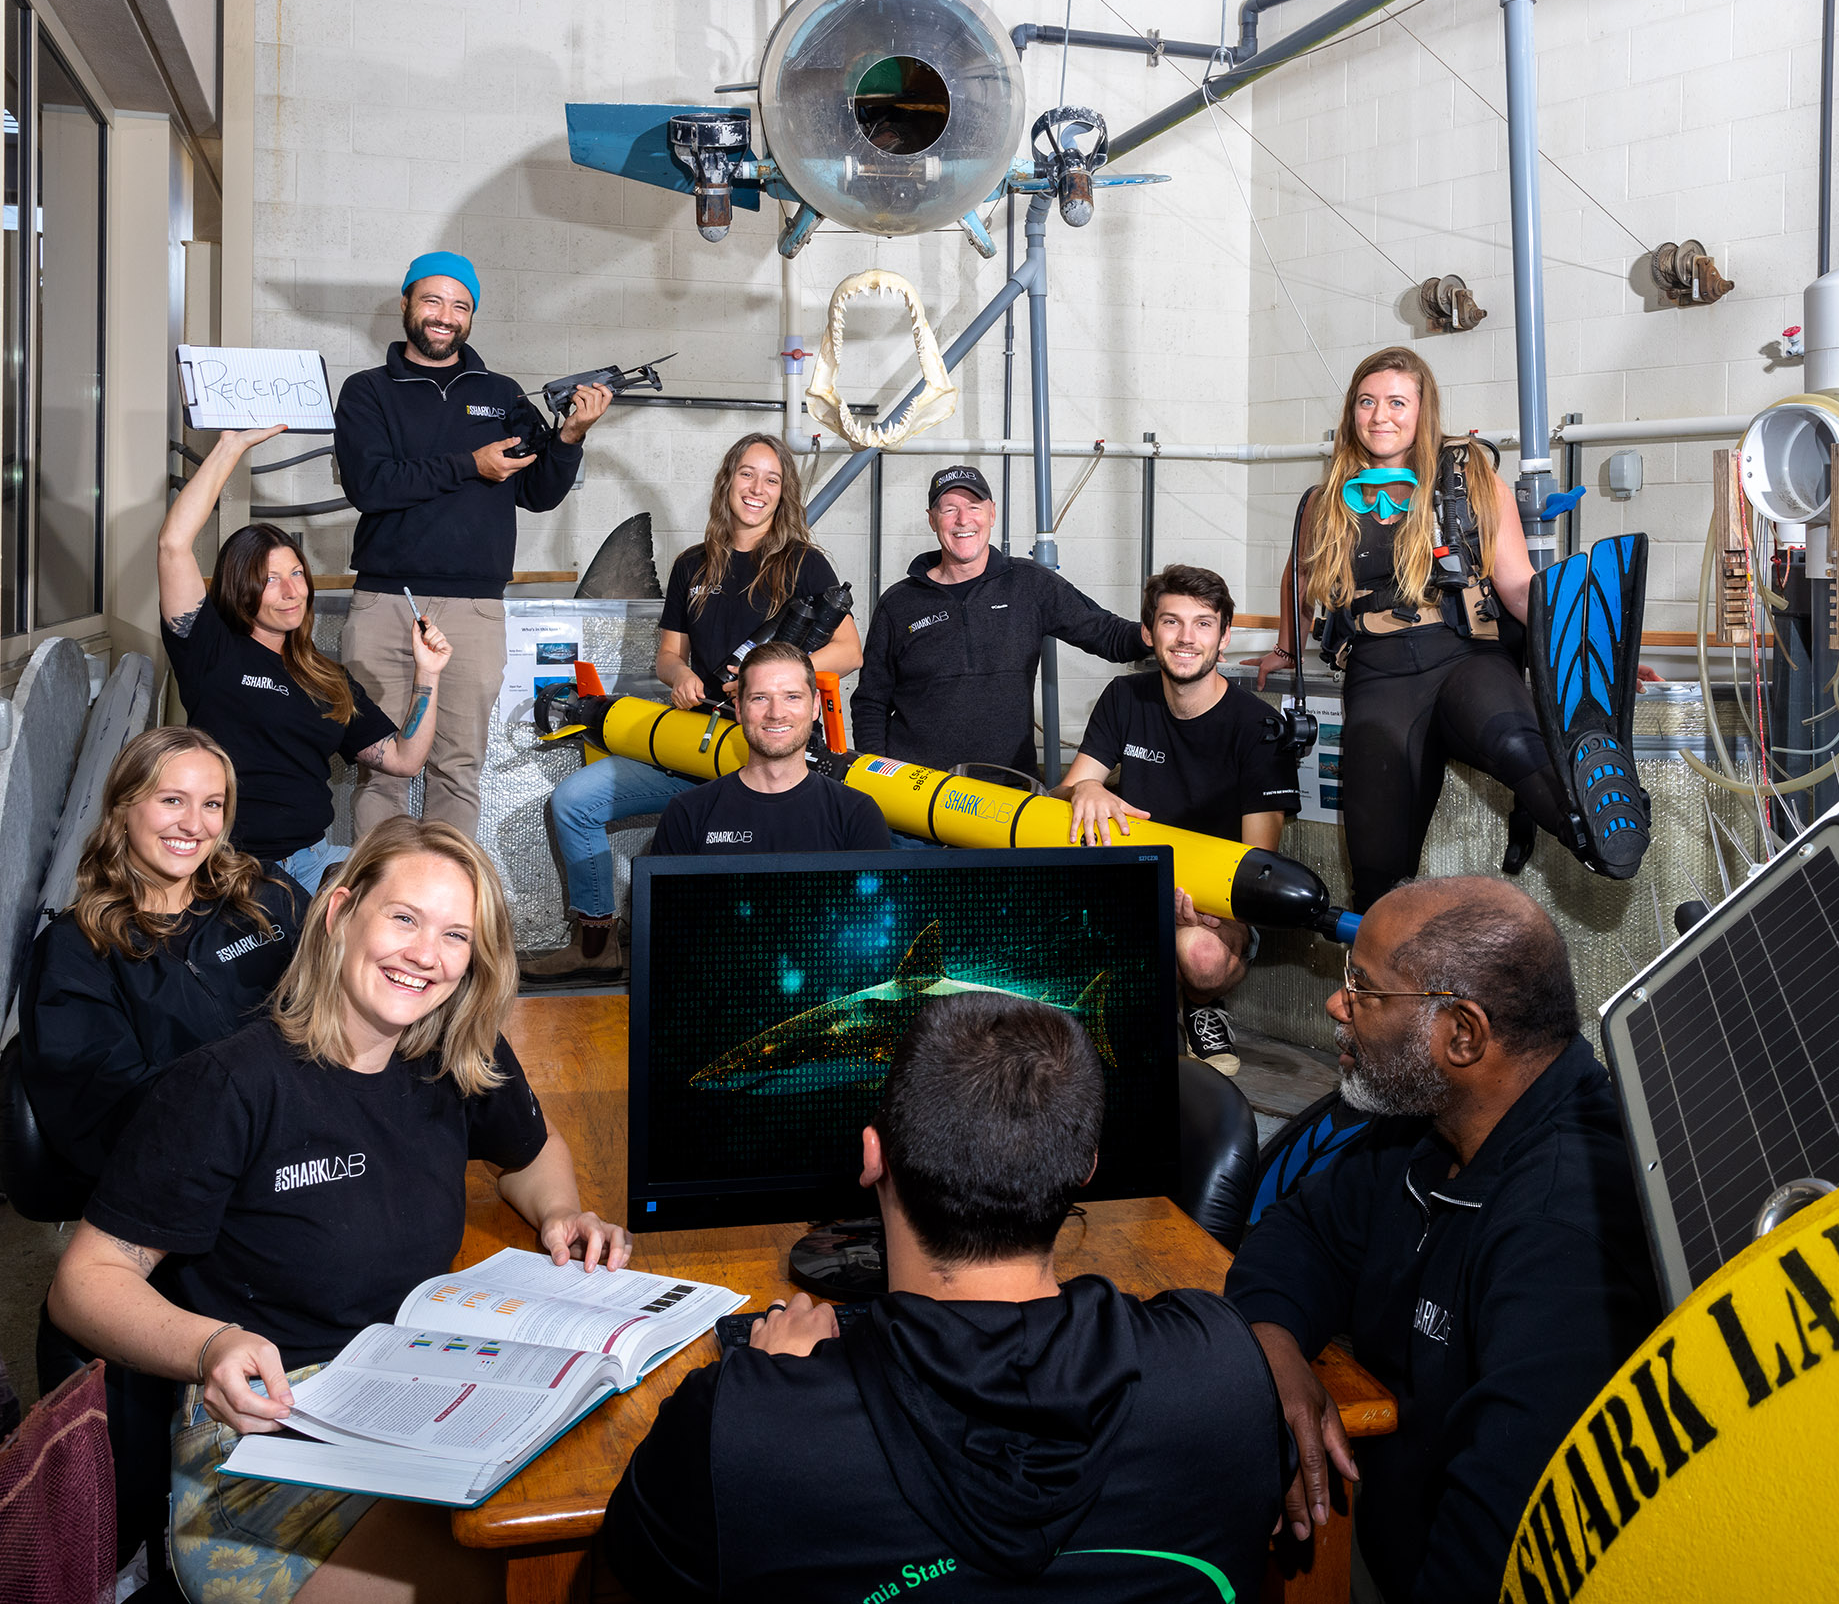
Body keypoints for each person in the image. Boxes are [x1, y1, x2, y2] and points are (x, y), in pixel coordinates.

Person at [52, 817, 631, 1604]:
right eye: (404, 918)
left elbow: (530, 1153)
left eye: (455, 934)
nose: (425, 954)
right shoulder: (230, 1084)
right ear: (339, 913)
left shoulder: (455, 1052)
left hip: (419, 1398)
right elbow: (85, 1278)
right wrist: (208, 1343)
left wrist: (562, 1211)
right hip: (268, 1435)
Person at [602, 992, 1286, 1601]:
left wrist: (774, 1382)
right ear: (1086, 1166)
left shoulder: (741, 1427)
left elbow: (627, 1565)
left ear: (873, 1155)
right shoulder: (1224, 1368)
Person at [1224, 876, 1657, 1604]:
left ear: (1462, 1033)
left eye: (1363, 987)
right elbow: (1299, 1234)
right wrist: (1272, 1346)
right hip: (1381, 1523)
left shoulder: (1564, 1233)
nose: (1338, 1004)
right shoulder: (1429, 1121)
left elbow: (1501, 1541)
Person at [521, 432, 863, 984]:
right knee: (574, 801)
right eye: (747, 475)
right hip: (689, 744)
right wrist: (679, 675)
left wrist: (766, 682)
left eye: (771, 479)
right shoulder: (693, 565)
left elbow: (848, 651)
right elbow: (668, 655)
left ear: (784, 494)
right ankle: (594, 943)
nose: (757, 489)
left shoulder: (804, 564)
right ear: (728, 481)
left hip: (759, 755)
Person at [1257, 347, 1582, 912]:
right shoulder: (1325, 498)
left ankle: (1598, 827)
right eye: (1367, 402)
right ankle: (1381, 983)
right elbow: (1299, 571)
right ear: (1351, 412)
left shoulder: (1469, 475)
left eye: (1396, 402)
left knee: (1520, 750)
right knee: (1377, 876)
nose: (1381, 415)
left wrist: (1583, 644)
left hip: (1464, 656)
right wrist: (1287, 647)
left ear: (1422, 408)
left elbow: (1517, 585)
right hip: (1378, 674)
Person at [334, 250, 617, 842]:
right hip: (388, 603)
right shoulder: (368, 392)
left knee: (458, 770)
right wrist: (470, 463)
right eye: (433, 300)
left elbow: (538, 492)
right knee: (379, 769)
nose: (445, 315)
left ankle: (445, 915)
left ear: (472, 317)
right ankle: (376, 914)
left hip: (475, 609)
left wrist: (569, 437)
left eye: (460, 305)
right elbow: (371, 485)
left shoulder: (503, 394)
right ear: (407, 304)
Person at [159, 425, 451, 895]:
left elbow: (402, 758)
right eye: (272, 579)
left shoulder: (326, 678)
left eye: (296, 573)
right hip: (232, 867)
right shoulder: (210, 648)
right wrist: (231, 446)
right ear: (241, 588)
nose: (292, 590)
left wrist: (428, 674)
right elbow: (174, 544)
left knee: (418, 888)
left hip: (312, 862)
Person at [21, 726, 306, 1183]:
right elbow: (107, 1112)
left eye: (212, 804)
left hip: (320, 1144)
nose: (195, 825)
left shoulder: (266, 895)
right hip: (198, 1177)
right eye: (172, 800)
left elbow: (341, 1001)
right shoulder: (78, 950)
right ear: (122, 807)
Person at [1059, 564, 1301, 1076]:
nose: (1186, 638)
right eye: (1171, 622)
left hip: (1214, 905)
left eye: (1203, 623)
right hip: (1130, 884)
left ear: (1224, 636)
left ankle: (1201, 1007)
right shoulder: (1126, 698)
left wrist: (1211, 907)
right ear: (1148, 633)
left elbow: (1260, 861)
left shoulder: (1258, 727)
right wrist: (1085, 787)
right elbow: (1067, 790)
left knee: (1201, 955)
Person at [851, 464, 1148, 779]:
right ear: (932, 519)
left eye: (974, 507)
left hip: (1006, 789)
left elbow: (1107, 634)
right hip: (918, 792)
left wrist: (1161, 632)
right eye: (949, 509)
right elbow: (871, 702)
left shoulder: (1030, 585)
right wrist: (878, 778)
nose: (963, 520)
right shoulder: (899, 603)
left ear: (992, 513)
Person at [650, 642, 891, 857]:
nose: (776, 713)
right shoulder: (688, 813)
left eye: (792, 697)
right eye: (760, 698)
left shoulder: (856, 815)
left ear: (815, 706)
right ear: (739, 710)